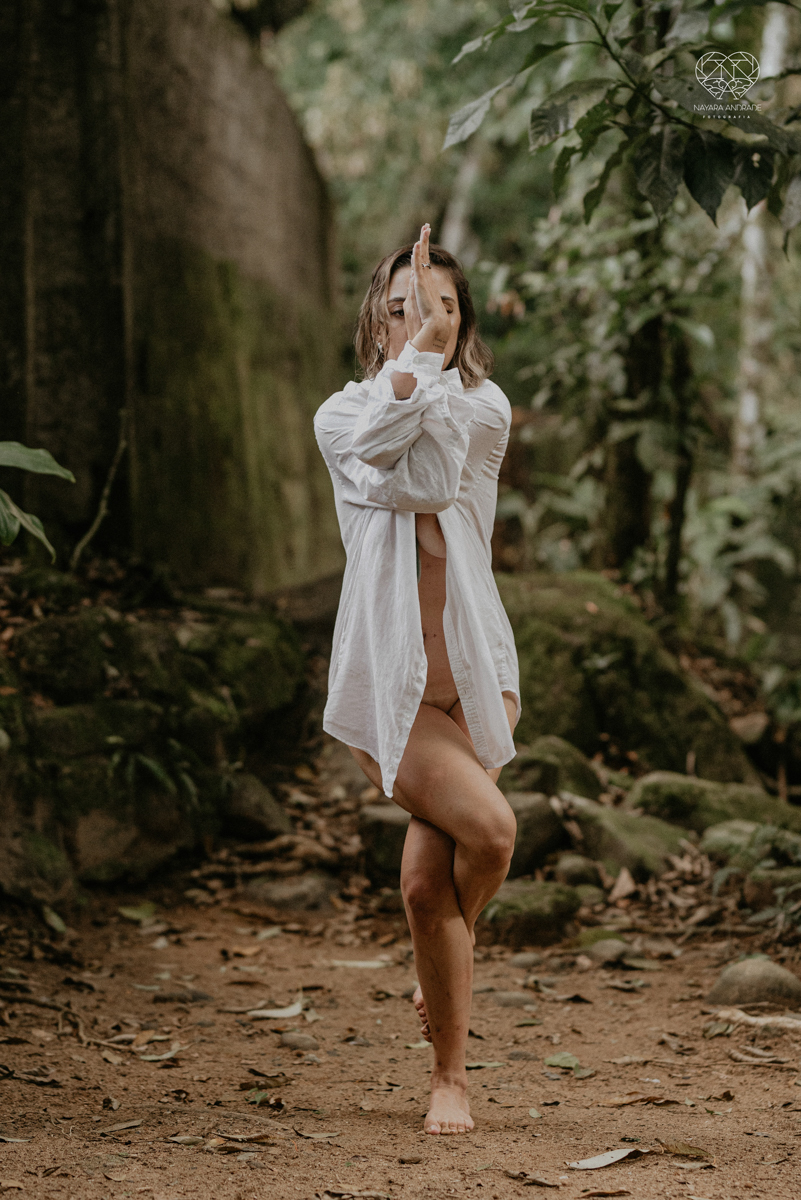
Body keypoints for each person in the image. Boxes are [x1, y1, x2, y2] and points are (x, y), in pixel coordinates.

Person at [314, 224, 520, 1136]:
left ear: (464, 322)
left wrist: (427, 365)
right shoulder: (338, 417)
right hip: (391, 700)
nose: (422, 321)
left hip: (475, 681)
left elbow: (436, 473)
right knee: (493, 832)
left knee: (427, 891)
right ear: (375, 318)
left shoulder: (485, 410)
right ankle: (448, 989)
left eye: (441, 308)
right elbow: (392, 473)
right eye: (402, 307)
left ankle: (450, 1077)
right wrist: (417, 363)